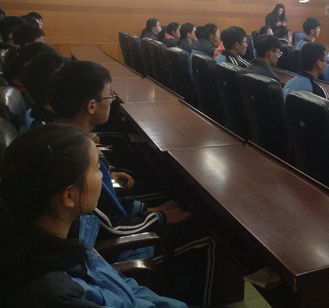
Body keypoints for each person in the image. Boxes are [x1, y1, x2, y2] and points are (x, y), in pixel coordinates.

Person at [47, 61, 214, 305]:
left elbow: (108, 206)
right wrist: (159, 217)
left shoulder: (61, 140)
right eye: (109, 96)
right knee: (205, 234)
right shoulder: (76, 165)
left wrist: (148, 209)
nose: (112, 100)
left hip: (105, 247)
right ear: (91, 106)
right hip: (116, 248)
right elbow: (111, 227)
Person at [0, 124, 189, 307]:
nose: (103, 176)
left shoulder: (69, 235)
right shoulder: (59, 295)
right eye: (97, 168)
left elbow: (122, 288)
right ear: (69, 196)